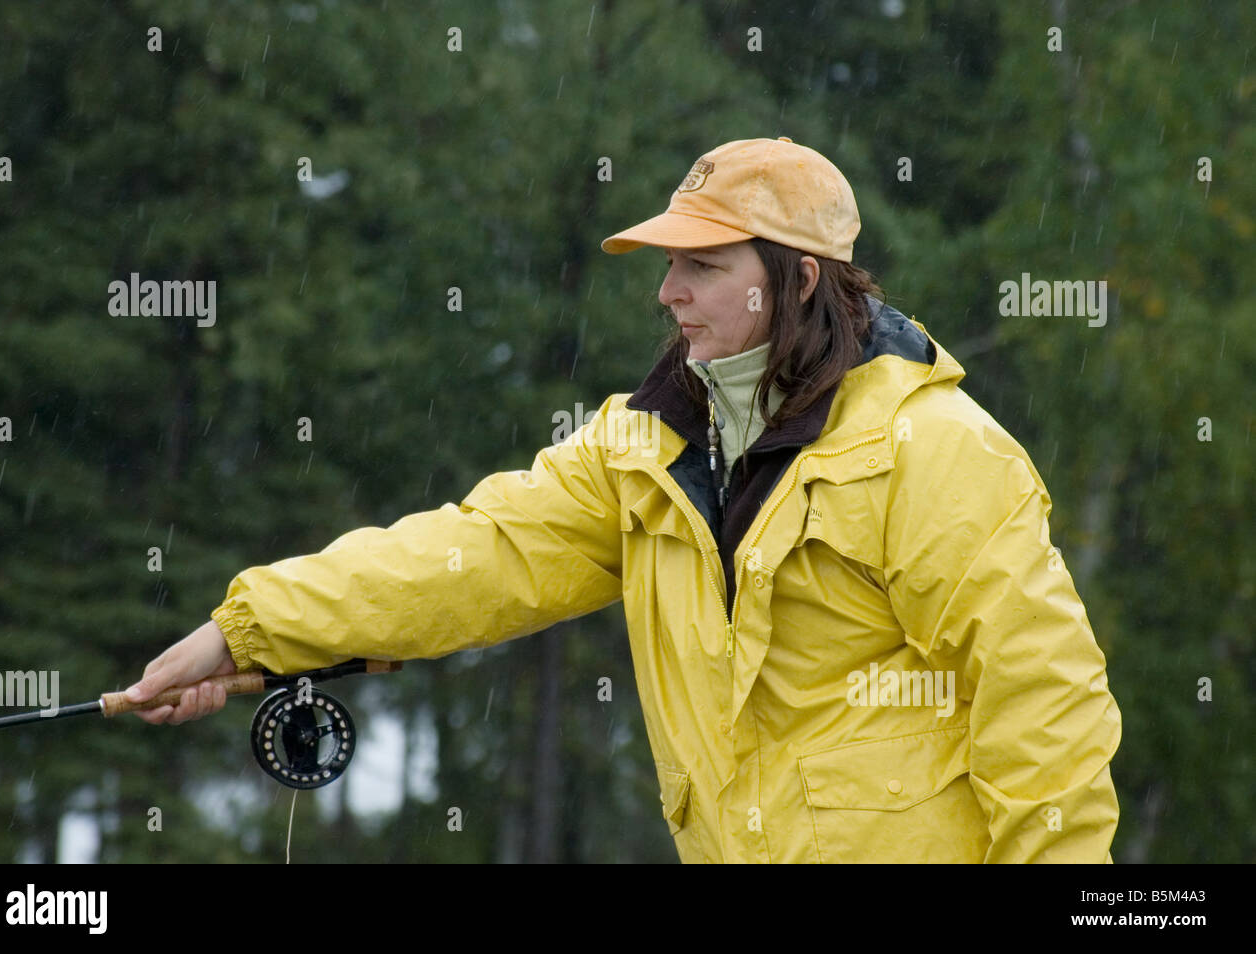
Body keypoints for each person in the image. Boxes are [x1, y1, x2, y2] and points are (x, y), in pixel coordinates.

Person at [124, 136, 1122, 863]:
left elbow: (1044, 707)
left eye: (700, 265)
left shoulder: (936, 449)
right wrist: (247, 632)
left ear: (799, 280)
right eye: (666, 265)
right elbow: (477, 556)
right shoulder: (637, 447)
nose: (666, 291)